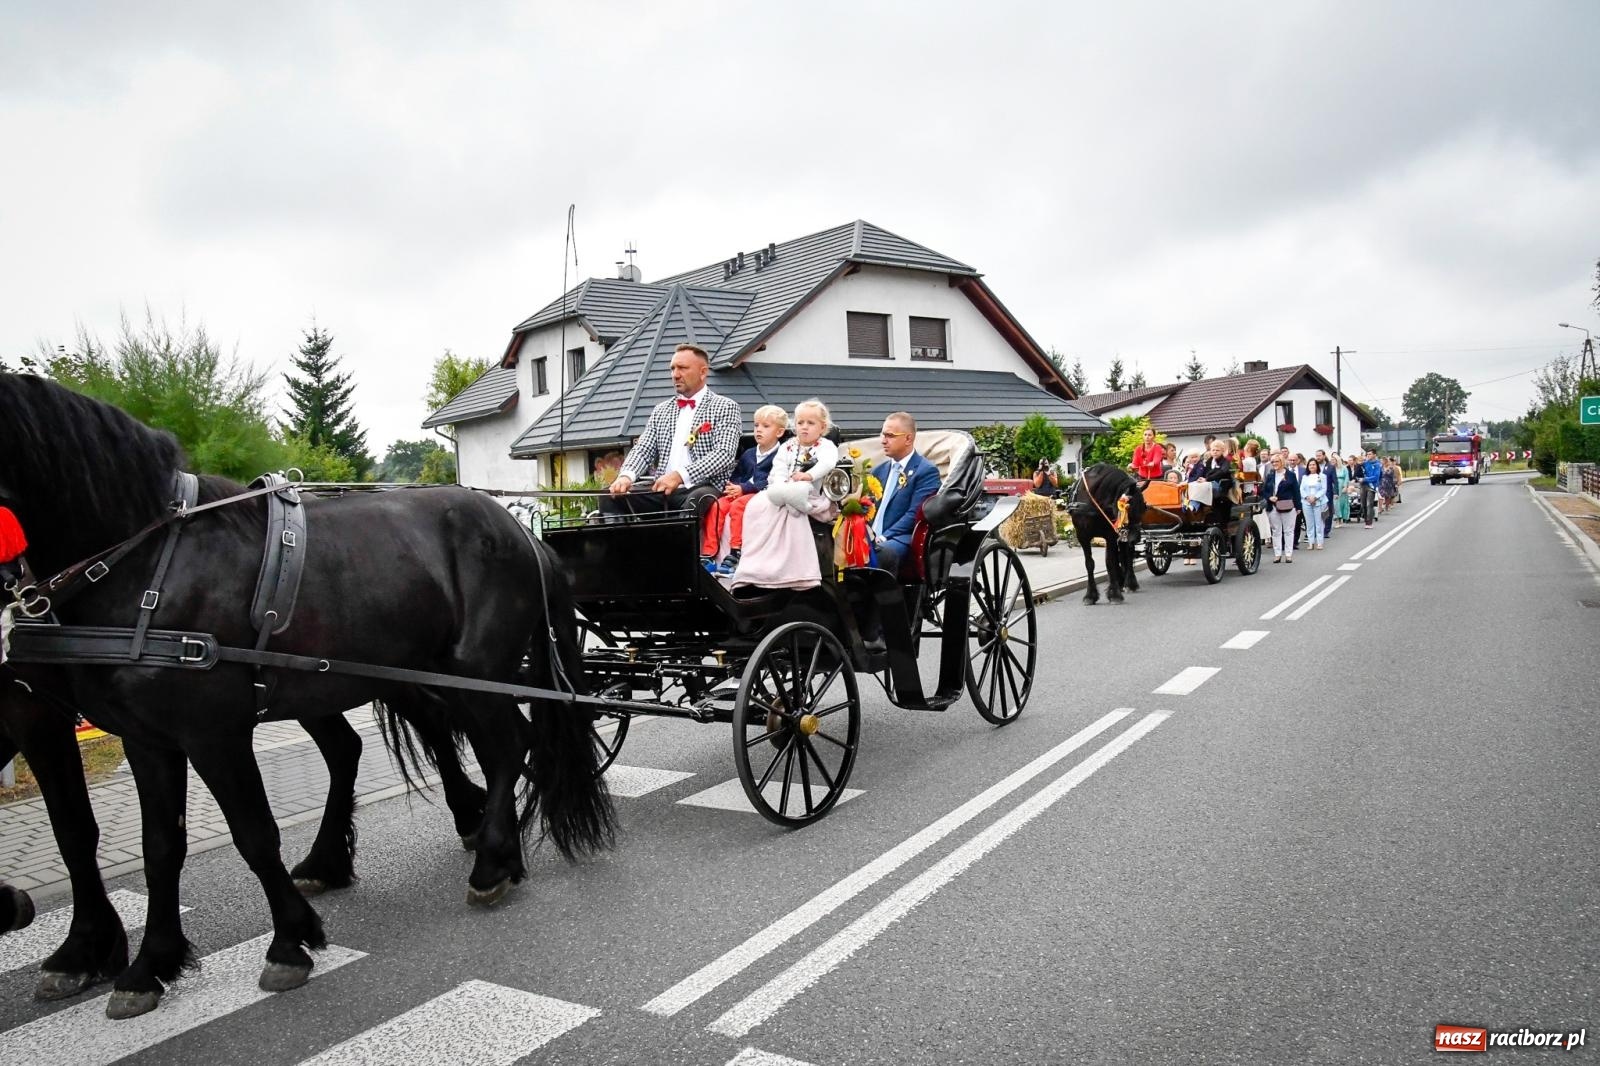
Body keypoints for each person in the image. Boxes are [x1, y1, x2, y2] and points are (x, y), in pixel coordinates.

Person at [602, 343, 741, 518]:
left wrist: (680, 476)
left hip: (703, 487)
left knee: (697, 499)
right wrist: (626, 476)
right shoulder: (661, 410)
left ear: (703, 372)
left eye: (682, 368)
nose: (675, 374)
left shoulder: (725, 406)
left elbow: (724, 454)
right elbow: (643, 449)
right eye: (672, 368)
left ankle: (682, 536)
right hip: (662, 488)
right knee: (610, 496)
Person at [730, 399, 839, 590]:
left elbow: (827, 463)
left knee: (792, 514)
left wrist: (809, 475)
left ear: (822, 427)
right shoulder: (788, 445)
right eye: (800, 422)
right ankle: (754, 563)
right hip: (781, 491)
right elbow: (778, 468)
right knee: (755, 506)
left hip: (809, 493)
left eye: (810, 423)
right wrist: (781, 486)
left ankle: (794, 572)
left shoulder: (826, 446)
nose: (804, 427)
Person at [701, 404, 786, 575]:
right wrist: (732, 487)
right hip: (741, 491)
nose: (758, 430)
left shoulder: (781, 455)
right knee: (717, 505)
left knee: (738, 507)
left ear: (779, 432)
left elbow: (770, 479)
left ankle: (735, 551)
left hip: (762, 493)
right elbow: (737, 475)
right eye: (756, 425)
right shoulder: (749, 453)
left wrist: (744, 488)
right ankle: (709, 553)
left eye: (766, 426)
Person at [868, 411, 941, 574]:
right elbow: (868, 508)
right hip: (872, 537)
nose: (883, 440)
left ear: (908, 438)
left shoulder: (925, 471)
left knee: (881, 553)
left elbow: (915, 514)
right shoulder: (877, 471)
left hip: (902, 537)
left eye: (890, 435)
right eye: (882, 434)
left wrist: (883, 537)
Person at [1262, 452, 1301, 563]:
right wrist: (1269, 497)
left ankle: (1288, 554)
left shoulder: (1290, 475)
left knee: (1288, 531)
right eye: (1272, 462)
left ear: (1282, 462)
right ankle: (1277, 554)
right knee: (1276, 531)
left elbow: (1296, 491)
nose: (1274, 463)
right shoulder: (1270, 475)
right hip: (1273, 506)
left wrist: (1298, 506)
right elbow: (1264, 491)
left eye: (1276, 461)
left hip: (1287, 505)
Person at [1301, 458, 1327, 550]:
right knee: (1309, 524)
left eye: (1314, 464)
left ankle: (1319, 542)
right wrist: (1307, 497)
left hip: (1319, 502)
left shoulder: (1322, 476)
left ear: (1317, 466)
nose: (1312, 466)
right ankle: (1311, 542)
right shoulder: (1305, 477)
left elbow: (1323, 489)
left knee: (1319, 523)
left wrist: (1315, 497)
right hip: (1307, 502)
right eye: (1310, 465)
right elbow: (1302, 489)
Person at [1359, 448, 1382, 527]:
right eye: (1367, 454)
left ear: (1374, 455)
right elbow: (1359, 472)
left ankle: (1369, 523)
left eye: (1370, 454)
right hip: (1363, 485)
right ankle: (1366, 519)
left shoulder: (1377, 464)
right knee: (1363, 504)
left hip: (1371, 486)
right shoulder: (1365, 463)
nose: (1368, 456)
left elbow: (1376, 477)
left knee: (1369, 504)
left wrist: (1365, 479)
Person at [1332, 454, 1351, 525]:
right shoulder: (1332, 468)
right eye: (1331, 460)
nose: (1332, 461)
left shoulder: (1344, 468)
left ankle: (1341, 518)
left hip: (1341, 486)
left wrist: (1345, 487)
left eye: (1334, 460)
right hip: (1334, 486)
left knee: (1341, 503)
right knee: (1335, 503)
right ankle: (1337, 518)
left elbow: (1346, 478)